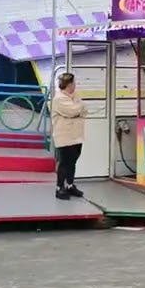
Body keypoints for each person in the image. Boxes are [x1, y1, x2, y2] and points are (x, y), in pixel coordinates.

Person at [50, 72, 86, 200]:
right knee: (64, 163)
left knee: (73, 162)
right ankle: (59, 187)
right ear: (68, 85)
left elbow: (83, 110)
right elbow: (73, 111)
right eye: (73, 83)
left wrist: (78, 109)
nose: (75, 86)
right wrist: (78, 109)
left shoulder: (75, 96)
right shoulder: (59, 98)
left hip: (77, 135)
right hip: (64, 136)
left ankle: (70, 185)